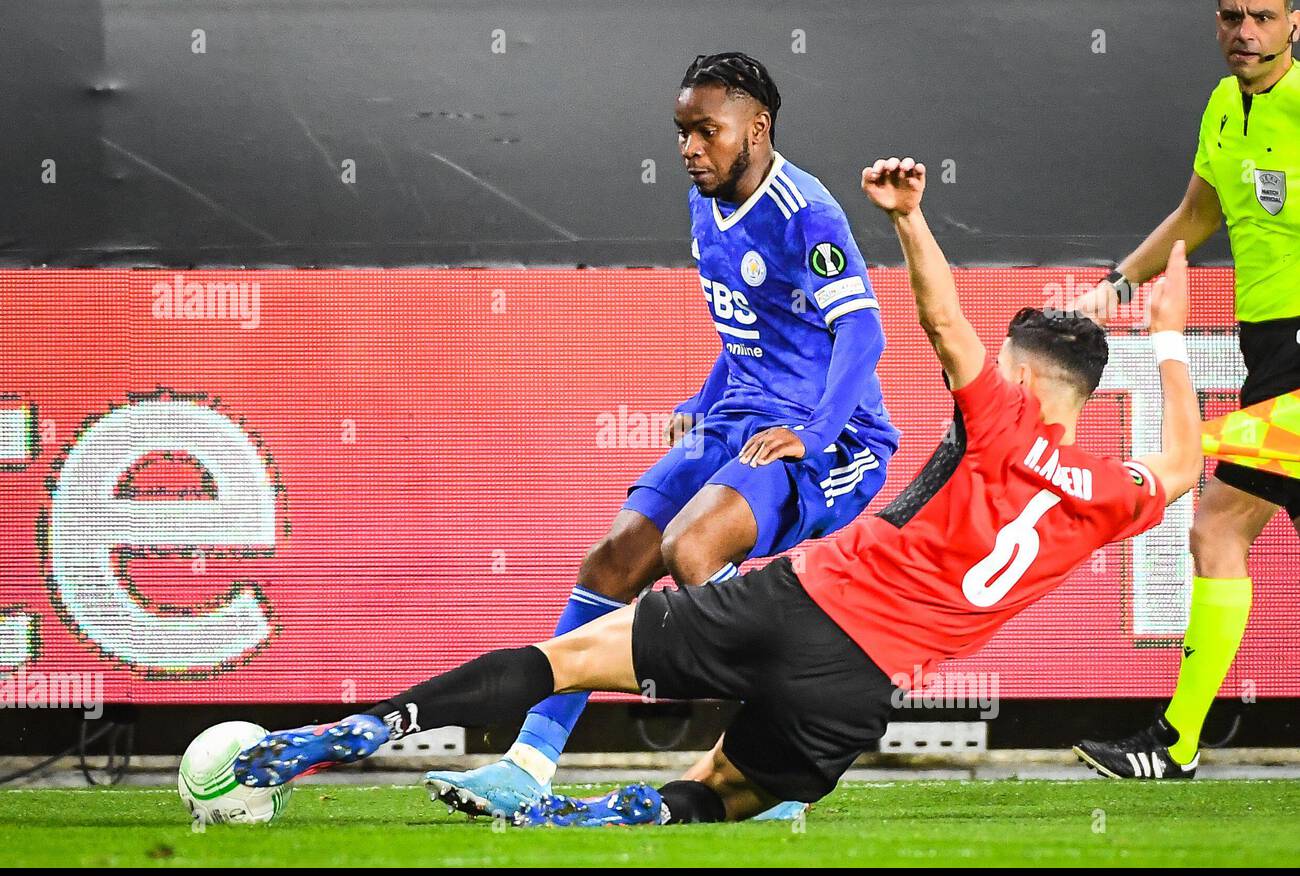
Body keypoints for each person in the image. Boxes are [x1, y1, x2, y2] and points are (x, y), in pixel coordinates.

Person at [235, 157, 1202, 826]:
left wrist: (909, 218)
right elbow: (1186, 466)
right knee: (713, 791)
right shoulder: (1111, 494)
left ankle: (349, 733)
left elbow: (941, 324)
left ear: (1025, 379)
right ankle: (582, 802)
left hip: (805, 602)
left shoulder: (1000, 421)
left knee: (574, 652)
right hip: (858, 693)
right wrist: (1169, 343)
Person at [428, 52, 898, 818]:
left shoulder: (805, 212)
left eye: (705, 131)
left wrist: (815, 435)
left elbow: (864, 335)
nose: (688, 149)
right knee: (613, 561)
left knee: (692, 550)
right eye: (681, 132)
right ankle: (527, 763)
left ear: (757, 125)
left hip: (835, 440)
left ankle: (780, 754)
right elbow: (751, 328)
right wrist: (703, 396)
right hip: (739, 415)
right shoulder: (704, 202)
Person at [1071, 0, 1300, 779]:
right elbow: (1198, 212)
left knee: (1218, 530)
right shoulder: (1223, 106)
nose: (1246, 31)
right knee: (1219, 535)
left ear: (1295, 23)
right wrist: (1117, 284)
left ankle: (1177, 741)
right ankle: (1179, 741)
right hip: (1270, 351)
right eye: (1232, 15)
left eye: (1264, 16)